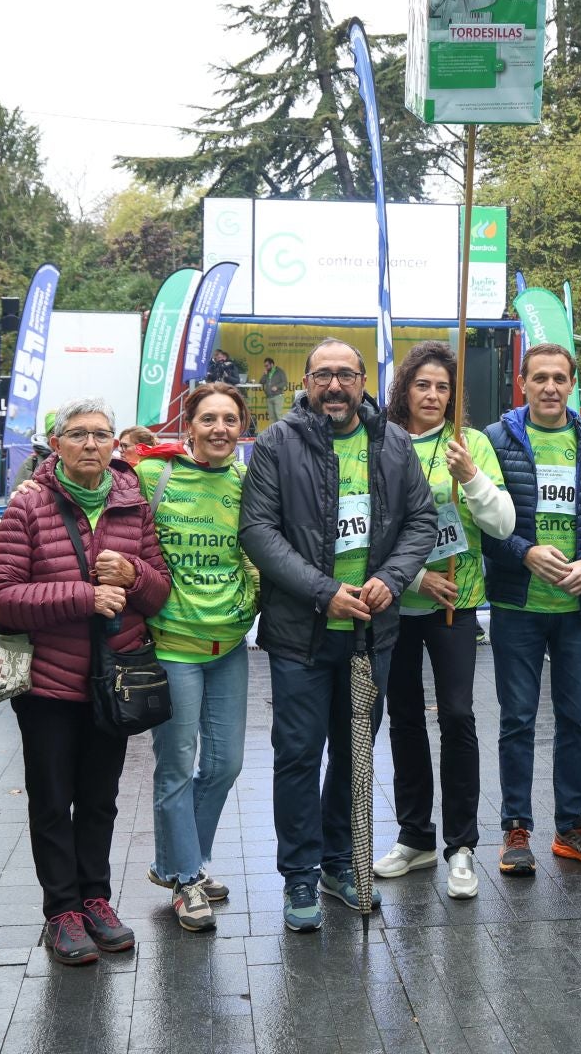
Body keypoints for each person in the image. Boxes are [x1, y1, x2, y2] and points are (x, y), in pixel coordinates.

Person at [238, 338, 435, 931]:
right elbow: (258, 531)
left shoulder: (393, 443)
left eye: (345, 375)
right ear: (306, 380)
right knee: (297, 755)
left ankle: (339, 863)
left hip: (369, 635)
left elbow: (422, 520)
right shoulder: (277, 444)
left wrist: (391, 580)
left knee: (353, 754)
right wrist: (326, 592)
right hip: (302, 633)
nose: (334, 386)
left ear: (363, 379)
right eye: (322, 375)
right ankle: (299, 878)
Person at [0, 397, 169, 964]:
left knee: (100, 801)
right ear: (56, 443)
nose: (91, 445)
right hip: (48, 686)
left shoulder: (134, 505)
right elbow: (4, 598)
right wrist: (85, 595)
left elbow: (160, 590)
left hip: (113, 680)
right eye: (78, 435)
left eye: (101, 434)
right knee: (51, 800)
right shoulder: (30, 507)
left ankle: (96, 899)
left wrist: (134, 574)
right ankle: (60, 910)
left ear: (116, 444)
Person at [375, 342, 514, 900]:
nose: (432, 396)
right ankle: (416, 837)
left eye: (442, 388)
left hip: (457, 604)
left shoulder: (471, 442)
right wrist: (413, 579)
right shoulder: (380, 441)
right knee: (405, 718)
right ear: (404, 389)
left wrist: (473, 476)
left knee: (456, 716)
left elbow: (502, 525)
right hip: (395, 604)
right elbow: (372, 529)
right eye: (422, 385)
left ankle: (462, 846)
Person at [482, 343, 581, 875]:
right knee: (517, 720)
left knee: (575, 720)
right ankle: (515, 828)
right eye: (539, 378)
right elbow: (484, 519)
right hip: (516, 603)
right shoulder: (497, 441)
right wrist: (524, 551)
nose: (549, 387)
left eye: (559, 379)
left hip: (575, 606)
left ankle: (571, 827)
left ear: (572, 385)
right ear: (522, 383)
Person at [137, 383, 253, 931]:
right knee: (178, 765)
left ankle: (182, 863)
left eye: (230, 420)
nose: (219, 429)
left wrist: (250, 597)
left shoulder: (248, 483)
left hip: (229, 644)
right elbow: (89, 486)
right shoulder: (151, 477)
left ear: (242, 427)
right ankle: (187, 879)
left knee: (226, 763)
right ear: (190, 423)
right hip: (172, 646)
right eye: (209, 418)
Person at [261, 356, 289, 424]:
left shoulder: (279, 371)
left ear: (272, 364)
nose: (266, 367)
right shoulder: (267, 373)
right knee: (272, 417)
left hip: (277, 396)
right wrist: (264, 375)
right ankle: (274, 433)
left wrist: (277, 386)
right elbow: (261, 382)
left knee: (278, 415)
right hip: (269, 397)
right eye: (265, 366)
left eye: (267, 365)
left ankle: (282, 432)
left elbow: (285, 383)